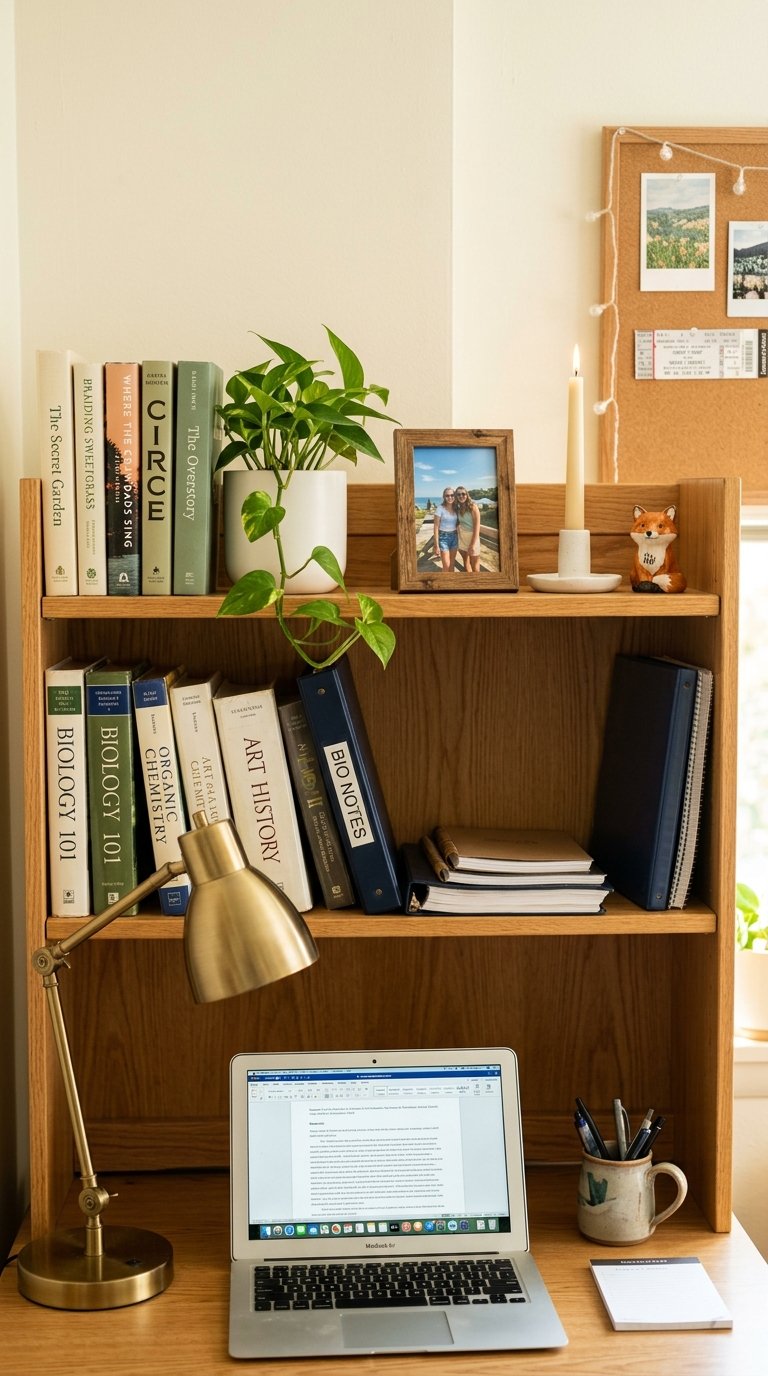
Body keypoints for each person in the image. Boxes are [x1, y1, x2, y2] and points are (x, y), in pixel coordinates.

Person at [456, 486, 481, 572]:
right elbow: (457, 523)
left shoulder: (473, 506)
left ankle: (477, 584)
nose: (461, 496)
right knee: (466, 562)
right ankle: (469, 583)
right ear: (456, 496)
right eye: (458, 494)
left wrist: (472, 545)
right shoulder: (458, 509)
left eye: (463, 494)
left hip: (472, 537)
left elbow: (477, 527)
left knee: (475, 566)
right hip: (462, 537)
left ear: (467, 495)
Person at [433, 487, 458, 571]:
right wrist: (436, 545)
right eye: (447, 496)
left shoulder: (456, 508)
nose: (450, 497)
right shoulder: (440, 508)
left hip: (455, 537)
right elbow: (436, 527)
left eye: (452, 495)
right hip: (443, 538)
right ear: (444, 497)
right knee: (446, 566)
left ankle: (452, 583)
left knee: (452, 564)